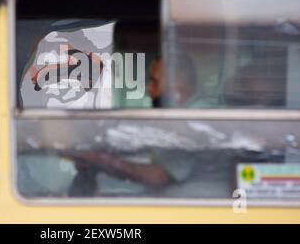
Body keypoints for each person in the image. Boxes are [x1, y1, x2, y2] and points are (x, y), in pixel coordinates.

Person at [68, 52, 204, 195]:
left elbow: (159, 177)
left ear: (176, 84)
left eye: (155, 82)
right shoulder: (177, 115)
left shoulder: (193, 118)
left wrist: (99, 160)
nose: (149, 89)